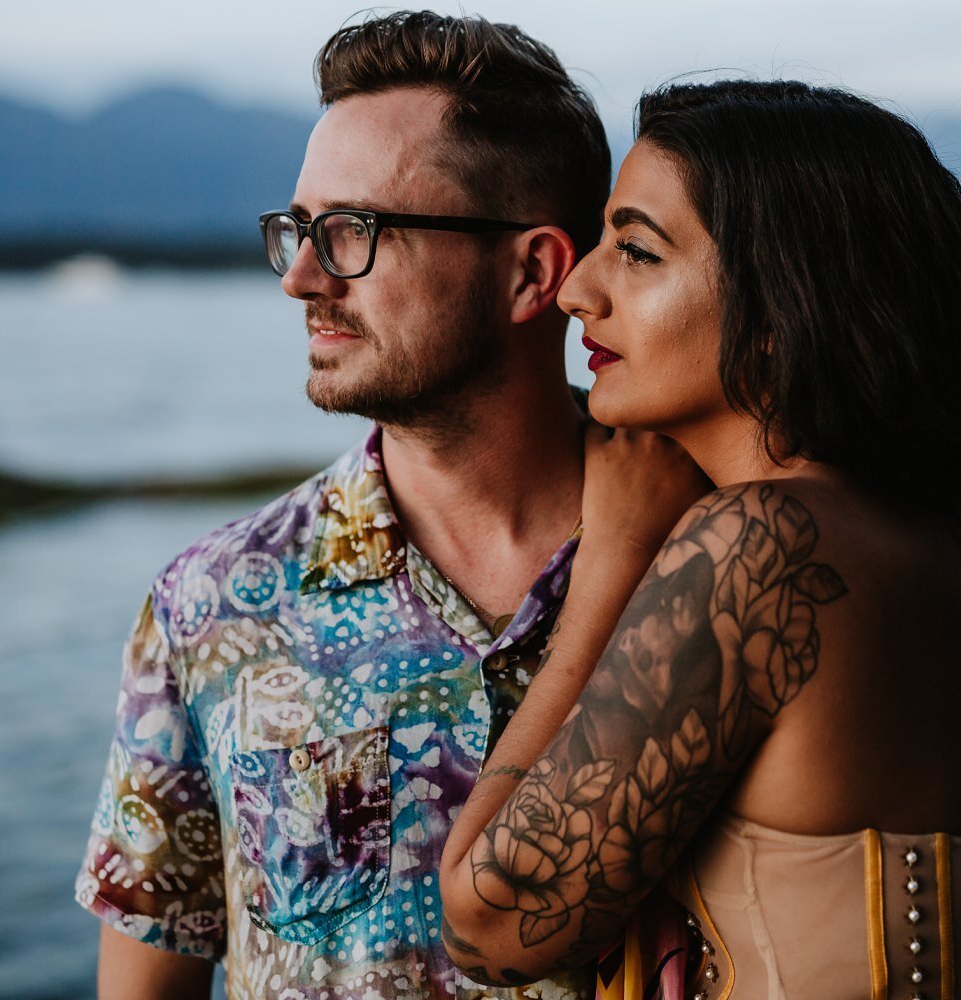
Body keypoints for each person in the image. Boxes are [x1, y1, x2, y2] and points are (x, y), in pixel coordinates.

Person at [438, 80, 961, 1000]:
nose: (579, 289)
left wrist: (616, 561)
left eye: (634, 250)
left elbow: (488, 928)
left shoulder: (763, 547)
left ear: (784, 303)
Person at [77, 12, 613, 999]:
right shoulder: (213, 608)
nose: (300, 277)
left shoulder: (713, 553)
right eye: (298, 230)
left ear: (532, 270)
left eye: (353, 231)